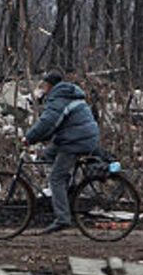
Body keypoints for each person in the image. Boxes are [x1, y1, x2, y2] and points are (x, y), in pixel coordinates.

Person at [22, 70, 102, 235]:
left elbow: (48, 121)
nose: (43, 89)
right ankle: (67, 189)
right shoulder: (68, 95)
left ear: (50, 86)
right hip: (78, 136)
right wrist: (42, 139)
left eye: (44, 85)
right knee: (47, 155)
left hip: (76, 141)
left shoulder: (59, 98)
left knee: (56, 178)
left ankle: (62, 218)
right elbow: (57, 124)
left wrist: (29, 138)